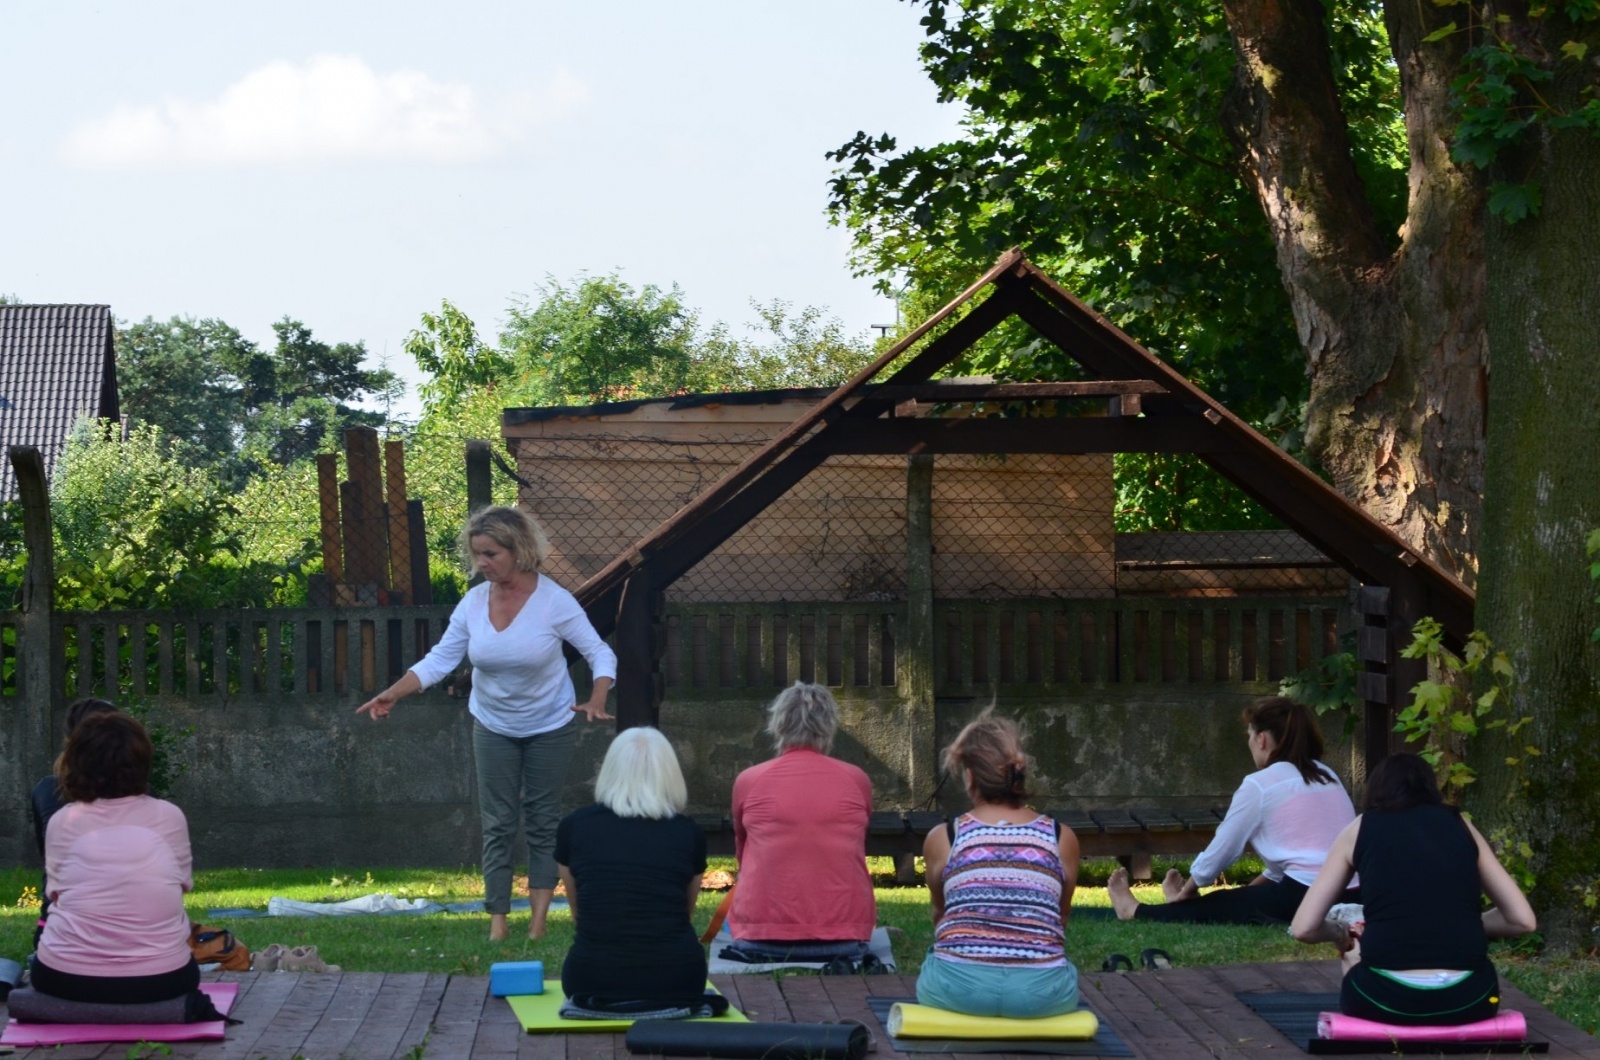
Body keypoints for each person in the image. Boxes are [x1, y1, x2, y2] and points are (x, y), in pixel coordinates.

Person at [357, 505, 618, 942]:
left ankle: (537, 922)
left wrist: (596, 696)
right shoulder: (474, 601)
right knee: (497, 821)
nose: (482, 563)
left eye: (491, 553)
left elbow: (599, 652)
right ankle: (497, 920)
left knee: (541, 819)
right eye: (478, 554)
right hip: (492, 724)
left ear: (518, 550)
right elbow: (441, 658)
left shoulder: (554, 601)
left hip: (550, 724)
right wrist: (393, 693)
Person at [1291, 753, 1536, 1025]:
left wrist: (1343, 935)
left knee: (1354, 960)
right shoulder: (1459, 824)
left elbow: (1304, 927)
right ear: (1431, 788)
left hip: (1383, 1000)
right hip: (1472, 1000)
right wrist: (1456, 924)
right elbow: (1522, 921)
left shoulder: (1359, 828)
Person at [1108, 696, 1358, 924]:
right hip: (1355, 891)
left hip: (1307, 895)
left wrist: (1188, 891)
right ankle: (1191, 903)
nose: (1250, 742)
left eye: (1249, 735)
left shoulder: (1260, 785)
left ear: (1261, 739)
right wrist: (1247, 893)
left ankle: (1133, 910)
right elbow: (1291, 862)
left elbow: (1224, 848)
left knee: (1215, 906)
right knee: (1234, 902)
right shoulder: (1327, 775)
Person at [32, 712, 207, 1008]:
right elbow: (180, 887)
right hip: (162, 978)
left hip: (64, 978)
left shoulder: (63, 821)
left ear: (75, 763)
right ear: (142, 761)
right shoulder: (169, 816)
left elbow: (56, 895)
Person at [918, 714, 1080, 1018]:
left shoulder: (945, 837)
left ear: (969, 777)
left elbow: (940, 915)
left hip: (958, 991)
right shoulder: (1060, 837)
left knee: (934, 961)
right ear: (1020, 774)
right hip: (1040, 997)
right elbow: (1061, 916)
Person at [555, 727, 711, 1011]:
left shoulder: (574, 827)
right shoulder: (689, 833)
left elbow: (581, 914)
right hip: (679, 979)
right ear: (670, 775)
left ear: (610, 771)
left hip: (589, 979)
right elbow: (684, 913)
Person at [724, 682, 875, 960]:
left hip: (758, 938)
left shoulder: (749, 780)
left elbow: (742, 853)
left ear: (778, 725)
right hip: (845, 939)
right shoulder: (856, 779)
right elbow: (855, 846)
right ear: (829, 725)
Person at [29, 697, 120, 946]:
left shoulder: (46, 790)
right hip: (132, 936)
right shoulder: (150, 801)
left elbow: (47, 855)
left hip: (56, 934)